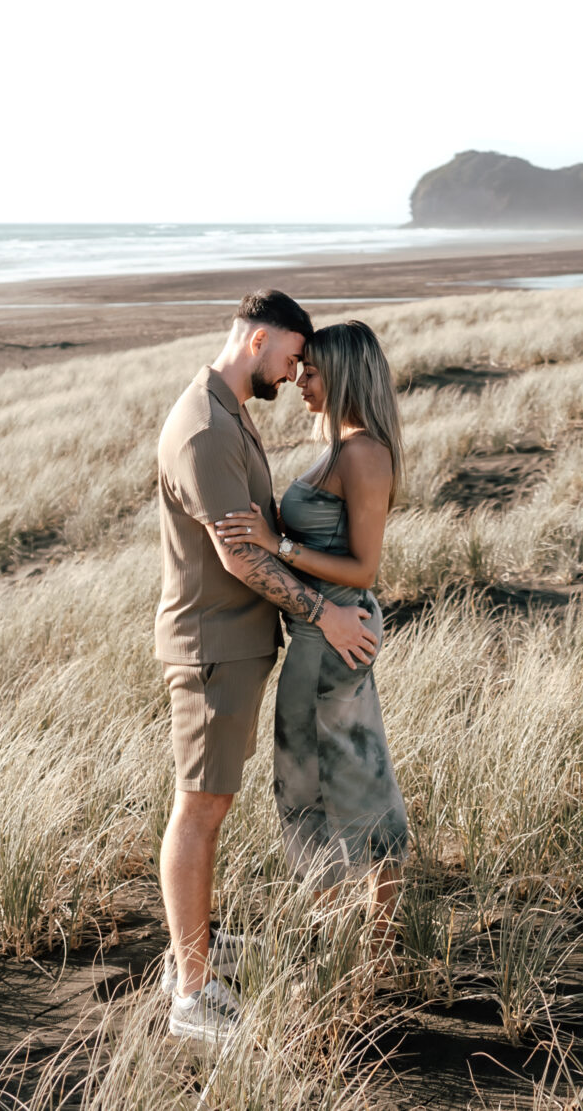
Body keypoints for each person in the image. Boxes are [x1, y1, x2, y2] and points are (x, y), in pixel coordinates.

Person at [154, 290, 378, 1048]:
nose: (293, 375)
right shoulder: (205, 429)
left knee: (208, 804)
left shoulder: (226, 410)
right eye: (290, 357)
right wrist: (326, 613)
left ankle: (197, 956)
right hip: (213, 648)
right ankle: (191, 992)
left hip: (237, 647)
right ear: (259, 339)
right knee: (201, 808)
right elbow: (237, 552)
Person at [210, 320, 409, 945]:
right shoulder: (341, 445)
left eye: (313, 371)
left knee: (319, 781)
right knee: (347, 771)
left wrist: (280, 544)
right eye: (301, 367)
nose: (300, 379)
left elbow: (364, 567)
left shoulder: (363, 453)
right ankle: (363, 940)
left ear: (345, 376)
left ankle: (359, 944)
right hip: (326, 634)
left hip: (331, 640)